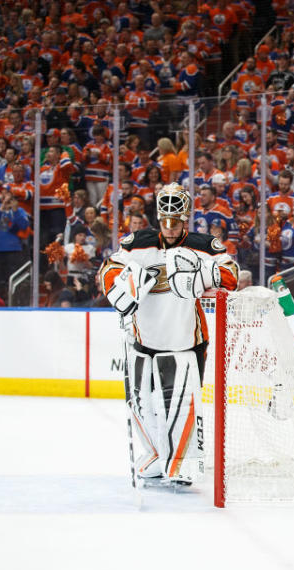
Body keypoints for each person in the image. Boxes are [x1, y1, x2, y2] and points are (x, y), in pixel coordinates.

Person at [98, 183, 238, 484]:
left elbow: (232, 274)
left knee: (183, 403)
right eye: (165, 222)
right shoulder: (138, 243)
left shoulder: (204, 244)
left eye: (176, 223)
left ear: (185, 218)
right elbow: (108, 268)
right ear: (159, 219)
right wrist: (120, 284)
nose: (170, 228)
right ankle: (152, 456)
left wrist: (204, 274)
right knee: (142, 401)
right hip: (144, 338)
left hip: (187, 340)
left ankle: (183, 464)